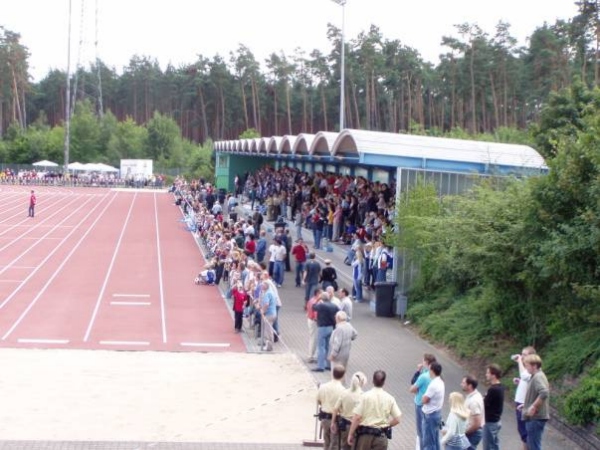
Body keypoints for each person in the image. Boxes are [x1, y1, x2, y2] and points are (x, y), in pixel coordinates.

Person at [348, 370, 402, 450]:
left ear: (372, 381)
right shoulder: (390, 398)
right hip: (380, 437)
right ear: (384, 382)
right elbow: (398, 419)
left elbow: (357, 417)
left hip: (365, 436)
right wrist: (386, 425)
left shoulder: (364, 397)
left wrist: (351, 433)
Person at [331, 371, 368, 450]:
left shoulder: (344, 393)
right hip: (358, 427)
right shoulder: (363, 396)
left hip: (345, 425)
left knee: (345, 447)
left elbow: (335, 409)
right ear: (362, 382)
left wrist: (333, 422)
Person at [522, 354, 550, 450]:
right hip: (535, 418)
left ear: (534, 366)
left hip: (536, 418)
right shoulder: (537, 376)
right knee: (532, 444)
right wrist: (526, 405)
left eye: (527, 365)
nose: (526, 368)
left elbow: (544, 392)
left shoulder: (538, 377)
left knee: (534, 446)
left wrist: (533, 407)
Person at [410, 354, 436, 450]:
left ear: (426, 362)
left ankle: (421, 447)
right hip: (430, 405)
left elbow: (413, 386)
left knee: (421, 430)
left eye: (423, 360)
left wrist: (418, 371)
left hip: (420, 403)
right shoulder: (434, 375)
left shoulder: (425, 376)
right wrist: (418, 371)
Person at [317, 365, 347, 450]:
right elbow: (343, 407)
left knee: (326, 442)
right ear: (343, 375)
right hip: (336, 420)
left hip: (325, 418)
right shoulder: (343, 390)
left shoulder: (323, 387)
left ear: (332, 373)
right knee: (335, 444)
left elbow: (319, 401)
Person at [512, 346, 536, 450]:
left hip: (524, 403)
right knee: (522, 431)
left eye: (524, 355)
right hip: (520, 401)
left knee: (525, 432)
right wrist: (519, 382)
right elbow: (525, 380)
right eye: (522, 354)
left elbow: (524, 375)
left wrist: (519, 362)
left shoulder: (532, 370)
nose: (522, 357)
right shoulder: (527, 370)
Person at [312, 292, 339, 372]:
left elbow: (313, 307)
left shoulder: (321, 305)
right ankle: (328, 365)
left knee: (321, 347)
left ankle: (320, 366)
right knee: (328, 346)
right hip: (331, 327)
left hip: (322, 327)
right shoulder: (334, 306)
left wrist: (317, 300)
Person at [422, 362, 445, 450]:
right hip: (437, 413)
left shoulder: (433, 385)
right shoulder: (441, 382)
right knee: (435, 440)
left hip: (430, 415)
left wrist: (423, 397)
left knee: (428, 443)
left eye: (429, 370)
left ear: (432, 371)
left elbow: (424, 400)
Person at [482, 364, 504, 450]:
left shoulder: (493, 389)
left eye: (488, 373)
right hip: (497, 420)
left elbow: (484, 403)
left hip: (490, 422)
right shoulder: (500, 387)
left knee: (488, 447)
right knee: (494, 445)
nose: (486, 374)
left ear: (493, 375)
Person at [461, 375, 484, 450]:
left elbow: (477, 423)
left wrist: (465, 432)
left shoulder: (474, 401)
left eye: (463, 383)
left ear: (470, 386)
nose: (461, 384)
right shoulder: (472, 396)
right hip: (471, 432)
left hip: (472, 433)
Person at [306, 287, 322, 363]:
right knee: (314, 339)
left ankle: (310, 355)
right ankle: (311, 356)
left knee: (311, 337)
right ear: (318, 294)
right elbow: (316, 313)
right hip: (314, 321)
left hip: (309, 319)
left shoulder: (311, 300)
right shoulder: (317, 302)